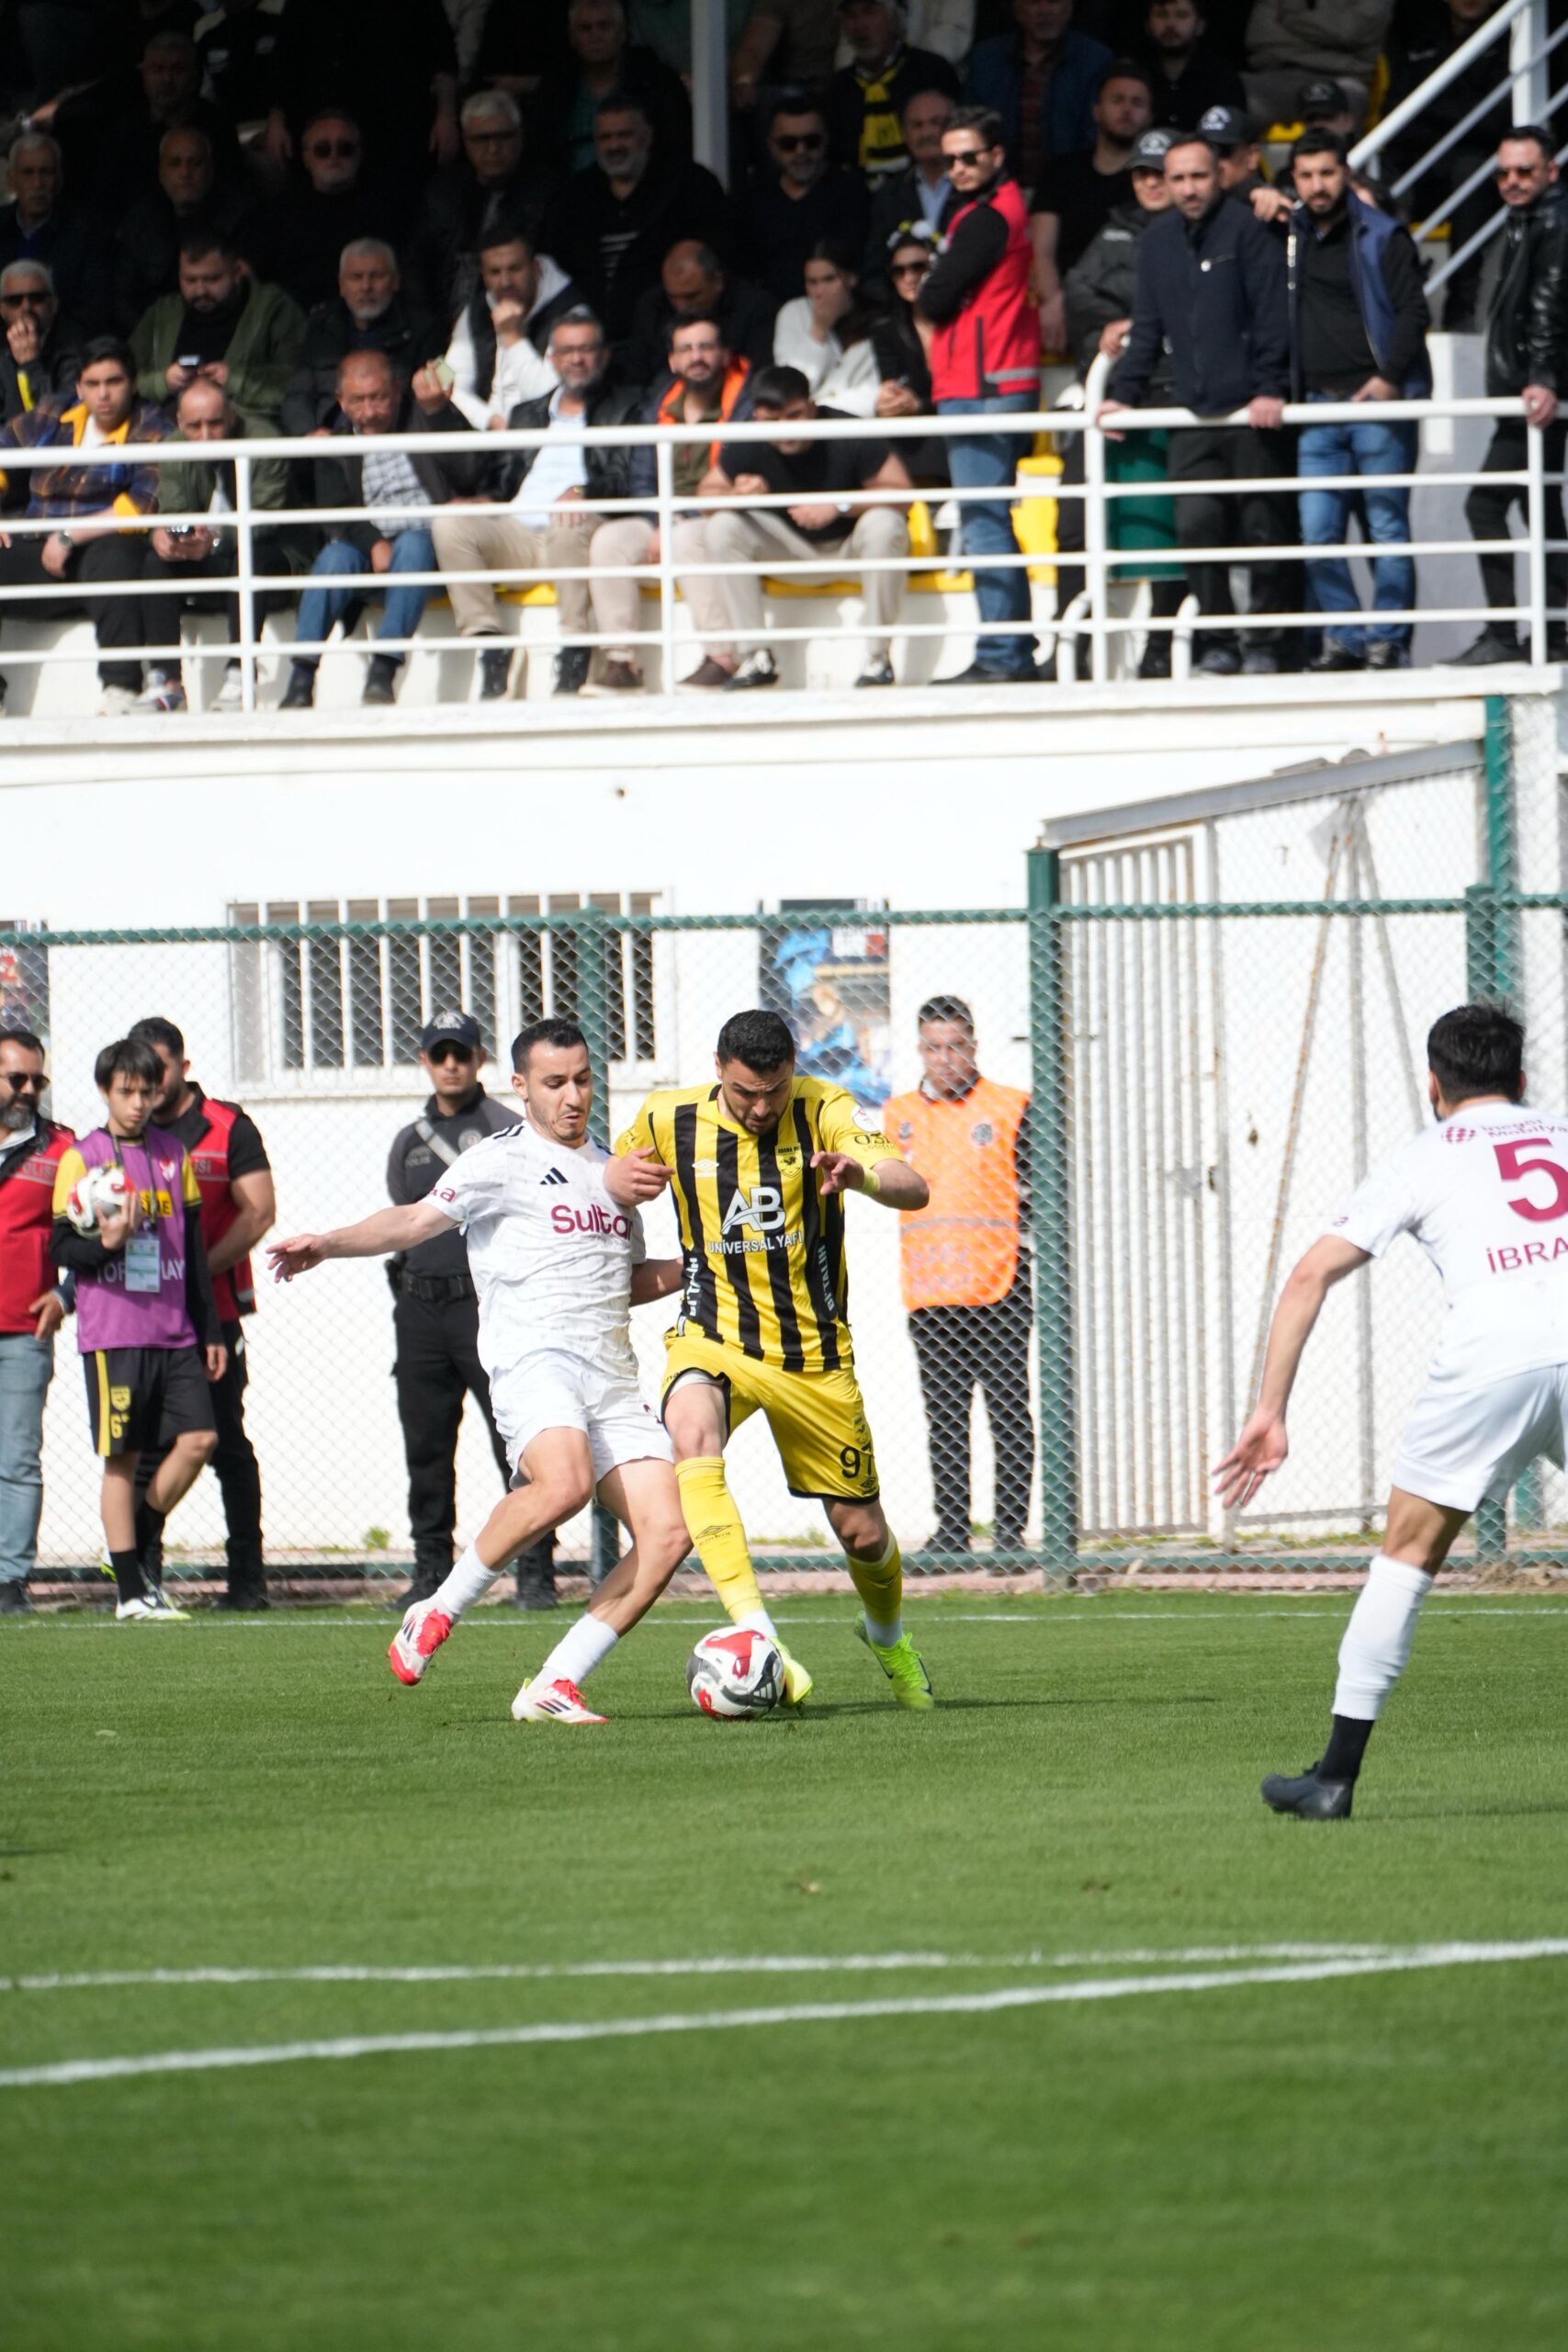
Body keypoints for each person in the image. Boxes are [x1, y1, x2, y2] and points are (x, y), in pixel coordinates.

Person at [270, 1018, 691, 1724]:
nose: (572, 1096)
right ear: (520, 1086)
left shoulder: (614, 1171)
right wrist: (329, 1242)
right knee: (562, 1482)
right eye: (554, 1082)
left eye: (583, 1079)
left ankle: (555, 1682)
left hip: (611, 1376)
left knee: (669, 1535)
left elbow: (625, 1280)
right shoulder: (499, 1158)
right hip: (534, 1360)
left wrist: (695, 1268)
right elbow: (411, 1223)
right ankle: (436, 1610)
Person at [1213, 1002, 1565, 1819]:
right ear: (1520, 1080)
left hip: (1491, 1354)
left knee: (1404, 1561)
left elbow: (1308, 1276)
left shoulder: (1423, 1154)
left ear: (1434, 1086)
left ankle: (1333, 1779)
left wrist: (1270, 1411)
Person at [604, 1005, 936, 1709]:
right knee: (690, 1430)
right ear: (717, 1073)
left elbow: (913, 1186)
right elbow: (604, 1172)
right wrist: (613, 1180)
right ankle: (761, 1639)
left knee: (862, 1531)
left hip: (811, 1356)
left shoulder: (824, 1108)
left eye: (774, 1091)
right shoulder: (668, 1117)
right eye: (745, 1092)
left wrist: (861, 1178)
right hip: (711, 1333)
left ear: (793, 1072)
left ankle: (888, 1638)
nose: (760, 1107)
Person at [378, 1011, 557, 1613]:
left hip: (487, 1308)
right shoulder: (407, 1141)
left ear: (480, 1059)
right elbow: (406, 1217)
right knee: (425, 1445)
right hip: (421, 1308)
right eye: (438, 1054)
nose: (450, 1064)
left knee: (521, 1442)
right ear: (424, 1061)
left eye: (460, 1053)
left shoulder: (509, 1128)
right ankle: (429, 1569)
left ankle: (536, 1573)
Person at [1100, 130, 1292, 674]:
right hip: (1191, 413)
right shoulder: (1157, 241)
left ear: (1220, 176)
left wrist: (1270, 386)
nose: (1187, 188)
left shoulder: (1249, 229)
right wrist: (1122, 395)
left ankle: (1268, 644)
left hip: (1251, 412)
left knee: (1263, 526)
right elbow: (1149, 324)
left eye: (1198, 176)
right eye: (1177, 177)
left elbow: (1272, 314)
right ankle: (1220, 641)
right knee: (1197, 525)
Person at [49, 1034, 224, 1623]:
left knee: (201, 1439)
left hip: (174, 1330)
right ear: (105, 1091)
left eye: (147, 1092)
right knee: (122, 1459)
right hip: (114, 1334)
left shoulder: (173, 1155)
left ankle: (131, 1543)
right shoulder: (83, 1157)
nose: (137, 1103)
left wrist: (212, 1329)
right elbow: (62, 1245)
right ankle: (130, 1593)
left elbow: (194, 1250)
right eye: (126, 1091)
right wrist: (109, 1242)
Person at [126, 1015, 274, 1610]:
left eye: (159, 1069)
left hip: (213, 1316)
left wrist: (193, 1272)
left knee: (225, 1445)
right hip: (143, 1323)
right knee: (145, 1446)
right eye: (139, 1072)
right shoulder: (120, 1136)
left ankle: (247, 1583)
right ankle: (141, 1578)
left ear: (183, 1068)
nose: (149, 1083)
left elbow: (259, 1212)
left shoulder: (227, 1125)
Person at [428, 307, 641, 701]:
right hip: (522, 535)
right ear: (552, 358)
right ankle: (490, 645)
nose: (576, 359)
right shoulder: (527, 413)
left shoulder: (627, 408)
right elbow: (503, 478)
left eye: (586, 349)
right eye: (566, 351)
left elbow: (628, 475)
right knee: (450, 522)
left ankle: (576, 649)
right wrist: (484, 499)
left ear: (604, 355)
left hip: (582, 527)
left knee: (567, 519)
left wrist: (583, 491)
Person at [885, 995, 1032, 1557]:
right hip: (929, 1290)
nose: (944, 1059)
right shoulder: (897, 1114)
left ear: (973, 1047)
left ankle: (1011, 1535)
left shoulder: (1011, 1106)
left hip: (1000, 1284)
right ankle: (951, 1533)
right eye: (933, 1048)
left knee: (1008, 1412)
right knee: (944, 1418)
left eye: (955, 1047)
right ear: (920, 1050)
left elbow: (1040, 1191)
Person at [1284, 130, 1430, 673]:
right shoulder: (1288, 233)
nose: (1317, 186)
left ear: (1345, 173)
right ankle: (1345, 641)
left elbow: (1416, 312)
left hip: (1376, 403)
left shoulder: (1382, 234)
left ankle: (1387, 641)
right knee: (1318, 531)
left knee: (1387, 527)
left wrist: (1390, 377)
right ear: (1294, 180)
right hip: (1316, 407)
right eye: (1306, 175)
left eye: (1327, 173)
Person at [917, 105, 1043, 683]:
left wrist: (931, 286)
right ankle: (1009, 648)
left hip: (985, 384)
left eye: (970, 157)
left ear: (996, 157)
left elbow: (934, 298)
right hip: (986, 381)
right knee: (988, 518)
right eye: (950, 160)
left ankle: (1003, 655)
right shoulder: (987, 209)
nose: (959, 168)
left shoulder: (987, 217)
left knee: (985, 520)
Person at [280, 348, 478, 710]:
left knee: (414, 546)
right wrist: (373, 543)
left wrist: (438, 413)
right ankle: (301, 677)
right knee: (334, 556)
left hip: (430, 543)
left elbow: (470, 472)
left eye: (378, 398)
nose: (369, 411)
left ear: (397, 391)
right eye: (358, 400)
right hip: (369, 545)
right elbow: (336, 509)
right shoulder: (335, 443)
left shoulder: (425, 415)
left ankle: (383, 671)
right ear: (340, 401)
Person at [696, 362, 913, 688]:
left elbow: (903, 493)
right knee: (722, 525)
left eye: (794, 416)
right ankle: (755, 656)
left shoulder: (846, 429)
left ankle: (878, 659)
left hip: (853, 551)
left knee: (886, 522)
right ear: (757, 417)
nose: (785, 429)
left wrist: (838, 505)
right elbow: (706, 494)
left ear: (811, 407)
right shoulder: (748, 437)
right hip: (788, 552)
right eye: (773, 421)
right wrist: (736, 494)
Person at [1059, 122, 1184, 672]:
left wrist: (1138, 316)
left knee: (1170, 523)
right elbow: (1076, 292)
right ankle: (1072, 644)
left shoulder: (1196, 231)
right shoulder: (1112, 230)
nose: (1151, 183)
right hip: (1109, 398)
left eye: (1160, 173)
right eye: (1142, 173)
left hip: (1172, 396)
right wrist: (1117, 318)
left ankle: (1160, 647)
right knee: (1073, 520)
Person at [1448, 127, 1568, 668]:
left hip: (1536, 394)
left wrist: (1543, 376)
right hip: (1528, 392)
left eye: (1525, 171)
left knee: (1486, 503)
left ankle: (1504, 631)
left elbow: (1549, 302)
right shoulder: (1527, 220)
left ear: (1551, 172)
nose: (1513, 182)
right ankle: (1559, 628)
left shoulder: (1554, 220)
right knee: (1538, 505)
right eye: (1504, 173)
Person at [0, 336, 168, 718]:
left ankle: (121, 689)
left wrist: (67, 535)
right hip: (36, 548)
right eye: (93, 384)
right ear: (79, 387)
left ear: (133, 382)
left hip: (99, 550)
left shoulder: (153, 426)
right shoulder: (55, 412)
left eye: (114, 382)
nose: (103, 394)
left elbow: (140, 506)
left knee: (118, 556)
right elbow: (2, 450)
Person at [587, 311, 753, 694]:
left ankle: (722, 658)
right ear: (672, 360)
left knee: (689, 537)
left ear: (725, 353)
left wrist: (675, 522)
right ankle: (621, 663)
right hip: (663, 516)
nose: (697, 356)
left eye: (706, 347)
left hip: (720, 514)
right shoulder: (660, 402)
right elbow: (642, 478)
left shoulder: (747, 401)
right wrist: (661, 517)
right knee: (609, 541)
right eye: (686, 349)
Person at [132, 377, 290, 713]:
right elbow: (172, 509)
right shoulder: (174, 446)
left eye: (215, 423)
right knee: (154, 561)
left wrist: (215, 540)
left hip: (273, 559)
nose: (205, 436)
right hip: (205, 554)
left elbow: (266, 520)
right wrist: (165, 536)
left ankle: (240, 674)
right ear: (179, 422)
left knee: (252, 557)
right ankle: (166, 682)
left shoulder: (264, 440)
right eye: (195, 426)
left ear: (231, 415)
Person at [539, 99, 731, 348]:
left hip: (668, 340)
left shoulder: (690, 186)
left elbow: (717, 262)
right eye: (605, 138)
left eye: (625, 135)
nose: (615, 145)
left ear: (648, 137)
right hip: (590, 344)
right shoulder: (575, 196)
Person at [0, 1026, 73, 1615]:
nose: (28, 1090)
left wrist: (67, 1295)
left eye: (36, 1080)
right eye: (15, 1079)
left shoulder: (65, 1150)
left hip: (24, 1331)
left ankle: (9, 1580)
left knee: (17, 1455)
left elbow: (96, 1235)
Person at [1381, 0, 1510, 334]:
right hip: (1420, 162)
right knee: (1383, 177)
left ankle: (1460, 304)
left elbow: (1496, 122)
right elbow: (1396, 113)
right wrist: (1462, 114)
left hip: (1474, 172)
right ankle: (1395, 297)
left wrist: (1435, 111)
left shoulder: (1514, 35)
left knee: (1471, 170)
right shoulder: (1416, 34)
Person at [1028, 57, 1152, 351]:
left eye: (1137, 103)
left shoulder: (1154, 183)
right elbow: (1041, 250)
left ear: (1149, 116)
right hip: (1071, 307)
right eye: (1117, 100)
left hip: (1131, 308)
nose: (1127, 110)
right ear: (1096, 110)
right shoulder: (1061, 171)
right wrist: (1054, 299)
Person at [404, 90, 559, 322]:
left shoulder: (546, 193)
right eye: (482, 139)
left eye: (503, 137)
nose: (493, 149)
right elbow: (416, 267)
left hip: (522, 321)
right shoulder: (442, 192)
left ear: (520, 138)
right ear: (465, 141)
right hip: (442, 322)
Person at [130, 233, 306, 435]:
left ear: (237, 271)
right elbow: (124, 378)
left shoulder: (273, 309)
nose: (200, 290)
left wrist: (234, 379)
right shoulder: (163, 313)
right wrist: (164, 381)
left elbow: (296, 383)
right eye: (190, 280)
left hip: (244, 424)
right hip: (166, 424)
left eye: (212, 279)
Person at [279, 241, 441, 438]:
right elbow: (297, 392)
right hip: (328, 445)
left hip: (397, 440)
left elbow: (443, 385)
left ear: (396, 281)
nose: (366, 286)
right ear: (341, 284)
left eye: (377, 276)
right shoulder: (320, 326)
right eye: (356, 277)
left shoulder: (428, 327)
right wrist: (308, 432)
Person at [254, 111, 399, 319]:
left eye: (344, 149)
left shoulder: (385, 207)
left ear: (359, 154)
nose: (334, 156)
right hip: (299, 322)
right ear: (306, 158)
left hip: (371, 317)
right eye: (322, 149)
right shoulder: (279, 213)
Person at [440, 223, 583, 432]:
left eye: (514, 269)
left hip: (544, 437)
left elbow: (546, 398)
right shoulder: (475, 311)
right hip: (488, 437)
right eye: (495, 272)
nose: (505, 282)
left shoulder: (572, 315)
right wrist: (490, 421)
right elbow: (448, 380)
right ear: (483, 275)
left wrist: (513, 337)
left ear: (535, 268)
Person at [964, 0, 1111, 198]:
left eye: (1054, 1)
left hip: (1072, 194)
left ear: (1070, 7)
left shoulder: (1095, 60)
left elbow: (1096, 136)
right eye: (1034, 2)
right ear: (1016, 9)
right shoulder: (986, 59)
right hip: (996, 191)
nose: (1045, 11)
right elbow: (971, 130)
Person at [735, 95, 872, 309]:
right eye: (789, 143)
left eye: (811, 141)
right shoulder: (754, 200)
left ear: (825, 141)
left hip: (838, 314)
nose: (801, 151)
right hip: (769, 317)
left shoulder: (851, 193)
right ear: (771, 147)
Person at [113, 126, 253, 330]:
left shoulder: (240, 216)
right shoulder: (140, 221)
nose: (185, 172)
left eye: (195, 163)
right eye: (175, 163)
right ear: (161, 172)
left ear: (211, 169)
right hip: (154, 335)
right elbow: (122, 299)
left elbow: (250, 293)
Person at [534, 0, 693, 174]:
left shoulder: (657, 83)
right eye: (585, 28)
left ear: (623, 33)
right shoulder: (554, 90)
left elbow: (674, 148)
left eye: (604, 26)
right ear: (572, 37)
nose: (595, 36)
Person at [828, 0, 960, 186]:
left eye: (870, 12)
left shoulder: (931, 72)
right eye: (850, 16)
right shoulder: (839, 88)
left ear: (895, 19)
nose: (859, 25)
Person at [619, 241, 776, 390]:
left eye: (691, 296)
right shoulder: (651, 306)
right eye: (673, 297)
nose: (681, 306)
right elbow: (636, 377)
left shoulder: (754, 307)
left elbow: (760, 377)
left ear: (717, 281)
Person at [0, 128, 111, 329]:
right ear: (11, 180)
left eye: (46, 172)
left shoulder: (86, 233)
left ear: (58, 180)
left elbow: (93, 309)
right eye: (28, 173)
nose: (37, 183)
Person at [862, 85, 958, 299]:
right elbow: (874, 270)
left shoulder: (973, 187)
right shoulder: (890, 195)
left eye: (935, 123)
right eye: (917, 125)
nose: (926, 133)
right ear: (905, 134)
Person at [1243, 0, 1388, 137]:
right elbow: (1258, 37)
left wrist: (1289, 19)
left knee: (1333, 107)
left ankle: (1329, 163)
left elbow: (1351, 31)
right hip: (1280, 78)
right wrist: (1324, 42)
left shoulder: (1288, 13)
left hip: (1342, 79)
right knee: (1232, 91)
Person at [871, 229, 948, 481]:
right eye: (899, 271)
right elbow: (893, 383)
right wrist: (890, 401)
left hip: (961, 421)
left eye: (919, 267)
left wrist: (920, 405)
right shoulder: (886, 330)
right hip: (916, 433)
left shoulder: (961, 321)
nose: (909, 277)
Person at [773, 240, 882, 415]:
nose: (819, 291)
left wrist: (823, 408)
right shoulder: (793, 313)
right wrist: (819, 330)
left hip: (858, 425)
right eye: (812, 282)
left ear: (850, 279)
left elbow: (875, 390)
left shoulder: (879, 319)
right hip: (805, 425)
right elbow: (789, 389)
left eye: (829, 280)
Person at [1140, 0, 1246, 132]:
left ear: (1200, 25)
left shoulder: (1222, 77)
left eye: (1181, 15)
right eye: (1162, 15)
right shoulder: (1132, 75)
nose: (1170, 24)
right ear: (1147, 25)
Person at [0, 261, 83, 424]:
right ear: (2, 310)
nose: (26, 307)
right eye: (15, 300)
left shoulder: (74, 354)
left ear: (53, 305)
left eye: (36, 298)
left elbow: (60, 421)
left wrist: (30, 364)